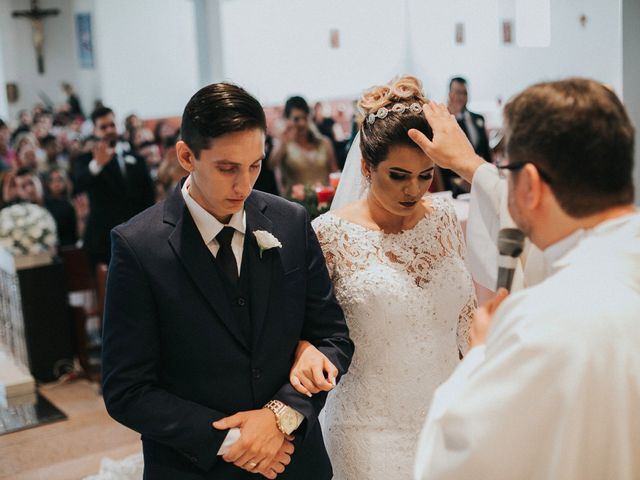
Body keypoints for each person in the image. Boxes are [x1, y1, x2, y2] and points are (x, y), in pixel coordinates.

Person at [101, 82, 354, 479]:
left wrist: (281, 417)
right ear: (187, 156)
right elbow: (127, 390)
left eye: (254, 165)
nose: (244, 185)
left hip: (295, 462)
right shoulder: (138, 247)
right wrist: (234, 440)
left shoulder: (290, 222)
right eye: (227, 168)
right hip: (196, 468)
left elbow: (333, 337)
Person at [409, 78, 640, 479]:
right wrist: (470, 164)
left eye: (506, 170)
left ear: (530, 183)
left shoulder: (542, 321)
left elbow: (454, 464)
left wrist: (481, 355)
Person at [299, 76, 475, 479]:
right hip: (369, 432)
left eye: (425, 175)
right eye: (398, 175)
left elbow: (465, 321)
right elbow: (311, 330)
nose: (413, 189)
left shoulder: (444, 218)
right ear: (365, 166)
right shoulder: (330, 234)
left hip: (447, 419)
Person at [74, 106, 154, 265]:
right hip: (104, 238)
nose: (109, 130)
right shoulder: (85, 160)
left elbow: (148, 196)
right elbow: (78, 186)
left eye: (112, 125)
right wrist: (96, 165)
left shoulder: (135, 159)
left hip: (137, 234)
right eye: (103, 127)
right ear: (95, 131)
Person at [269, 96, 338, 194]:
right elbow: (271, 165)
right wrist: (282, 141)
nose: (302, 123)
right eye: (296, 119)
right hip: (295, 205)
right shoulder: (285, 145)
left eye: (305, 117)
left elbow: (334, 173)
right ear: (287, 120)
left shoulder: (324, 143)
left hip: (325, 202)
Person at [440, 77, 491, 196]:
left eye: (465, 93)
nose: (461, 97)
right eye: (458, 92)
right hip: (453, 188)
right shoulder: (442, 120)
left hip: (480, 182)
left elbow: (486, 153)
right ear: (449, 94)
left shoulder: (478, 119)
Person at [44, 167, 78, 246]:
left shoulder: (73, 203)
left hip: (69, 246)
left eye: (60, 179)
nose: (56, 183)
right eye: (51, 180)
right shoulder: (44, 204)